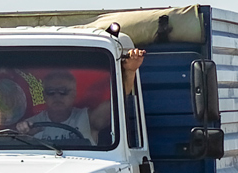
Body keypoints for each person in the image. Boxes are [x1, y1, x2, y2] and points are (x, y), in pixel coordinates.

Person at [16, 49, 145, 143]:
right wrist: (22, 133)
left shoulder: (87, 119)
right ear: (44, 95)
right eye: (51, 92)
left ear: (74, 94)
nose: (57, 96)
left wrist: (129, 71)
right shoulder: (31, 124)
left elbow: (118, 100)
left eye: (63, 92)